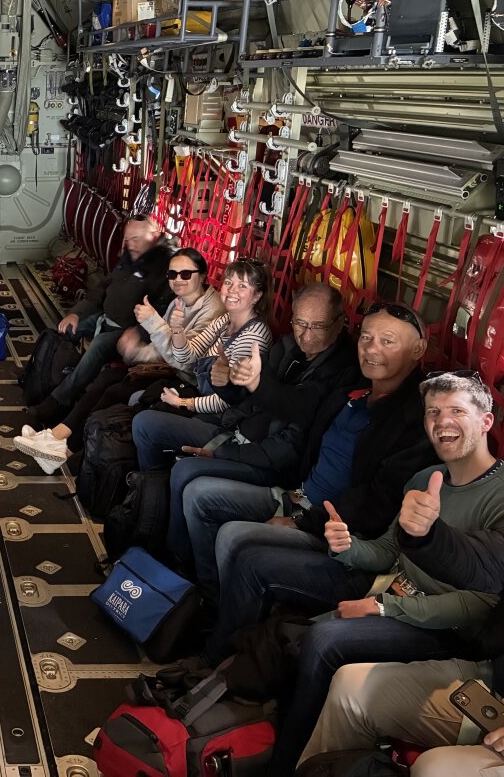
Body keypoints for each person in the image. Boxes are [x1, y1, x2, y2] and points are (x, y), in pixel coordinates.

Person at [268, 371, 504, 771]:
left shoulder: (499, 494)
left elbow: (483, 600)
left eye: (457, 411)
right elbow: (387, 552)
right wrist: (346, 547)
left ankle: (287, 763)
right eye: (433, 412)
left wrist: (384, 608)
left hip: (446, 628)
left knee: (326, 641)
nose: (442, 422)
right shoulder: (424, 480)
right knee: (297, 635)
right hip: (396, 596)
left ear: (486, 422)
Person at [204, 302, 436, 664]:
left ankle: (224, 655)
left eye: (387, 341)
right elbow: (300, 409)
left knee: (236, 540)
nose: (371, 349)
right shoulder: (354, 387)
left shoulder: (413, 418)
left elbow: (374, 503)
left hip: (337, 533)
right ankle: (221, 611)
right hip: (297, 494)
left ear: (418, 350)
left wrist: (300, 520)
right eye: (367, 337)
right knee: (201, 494)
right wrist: (246, 385)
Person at [177, 283, 361, 591]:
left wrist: (225, 450)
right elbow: (249, 402)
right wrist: (225, 383)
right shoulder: (289, 347)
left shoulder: (344, 371)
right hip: (239, 435)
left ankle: (206, 588)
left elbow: (297, 412)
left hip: (277, 467)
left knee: (191, 478)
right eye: (300, 323)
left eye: (317, 326)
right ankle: (179, 569)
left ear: (341, 323)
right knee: (151, 428)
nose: (306, 335)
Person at [14, 247, 224, 473]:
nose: (177, 280)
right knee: (107, 377)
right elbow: (162, 349)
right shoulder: (178, 302)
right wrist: (137, 352)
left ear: (202, 276)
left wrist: (153, 323)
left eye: (185, 274)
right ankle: (57, 440)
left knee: (115, 389)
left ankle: (61, 446)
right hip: (168, 369)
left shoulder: (212, 311)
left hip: (189, 382)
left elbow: (185, 360)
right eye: (172, 275)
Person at [127, 257, 275, 561]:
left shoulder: (254, 336)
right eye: (230, 282)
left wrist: (182, 403)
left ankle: (166, 538)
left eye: (243, 286)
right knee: (141, 408)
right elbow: (189, 357)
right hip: (204, 403)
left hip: (224, 421)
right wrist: (178, 330)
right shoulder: (225, 321)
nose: (232, 290)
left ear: (257, 296)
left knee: (147, 422)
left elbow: (228, 399)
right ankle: (150, 501)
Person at [26, 216, 175, 429]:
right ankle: (36, 379)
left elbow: (163, 309)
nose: (130, 244)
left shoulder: (164, 266)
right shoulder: (131, 256)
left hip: (129, 330)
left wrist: (139, 334)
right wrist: (77, 313)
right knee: (63, 330)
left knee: (98, 346)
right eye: (127, 239)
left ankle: (56, 403)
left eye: (135, 239)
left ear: (152, 236)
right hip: (105, 317)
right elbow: (103, 288)